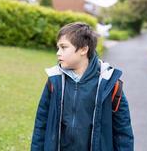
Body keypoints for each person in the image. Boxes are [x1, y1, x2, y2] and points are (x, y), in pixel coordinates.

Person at [31, 22, 134, 151]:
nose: (58, 53)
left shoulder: (109, 83)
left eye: (63, 47)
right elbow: (41, 124)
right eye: (58, 47)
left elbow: (123, 132)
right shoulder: (55, 81)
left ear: (84, 50)